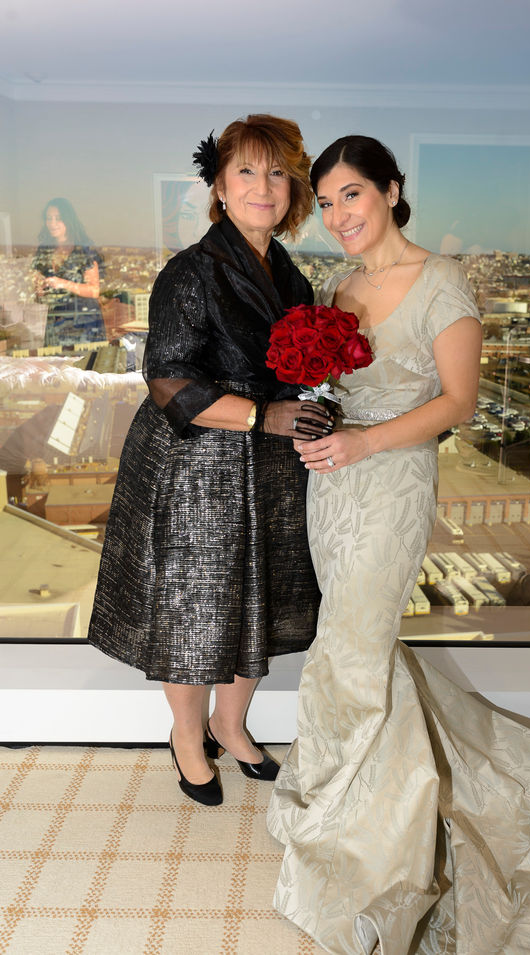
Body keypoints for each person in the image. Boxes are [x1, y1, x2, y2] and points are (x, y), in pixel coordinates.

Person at [267, 136, 530, 953]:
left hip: (392, 486)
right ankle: (348, 789)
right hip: (330, 486)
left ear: (393, 191)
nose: (338, 215)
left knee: (351, 649)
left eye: (351, 195)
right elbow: (331, 389)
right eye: (325, 203)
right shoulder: (338, 283)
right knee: (350, 644)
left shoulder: (443, 282)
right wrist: (320, 422)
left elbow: (460, 402)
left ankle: (356, 825)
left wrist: (364, 445)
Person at [87, 114, 332, 806]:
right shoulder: (191, 272)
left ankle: (234, 721)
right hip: (196, 462)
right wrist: (266, 413)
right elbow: (167, 379)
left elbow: (296, 373)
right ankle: (189, 736)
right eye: (247, 172)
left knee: (262, 596)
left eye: (278, 172)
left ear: (294, 190)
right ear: (219, 187)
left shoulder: (291, 277)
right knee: (195, 606)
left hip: (270, 465)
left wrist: (317, 401)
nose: (264, 186)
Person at [32, 198, 106, 345]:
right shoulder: (44, 250)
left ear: (68, 220)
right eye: (49, 218)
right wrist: (39, 290)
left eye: (58, 218)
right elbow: (39, 293)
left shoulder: (84, 250)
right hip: (56, 322)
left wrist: (62, 283)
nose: (52, 223)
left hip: (83, 324)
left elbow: (94, 290)